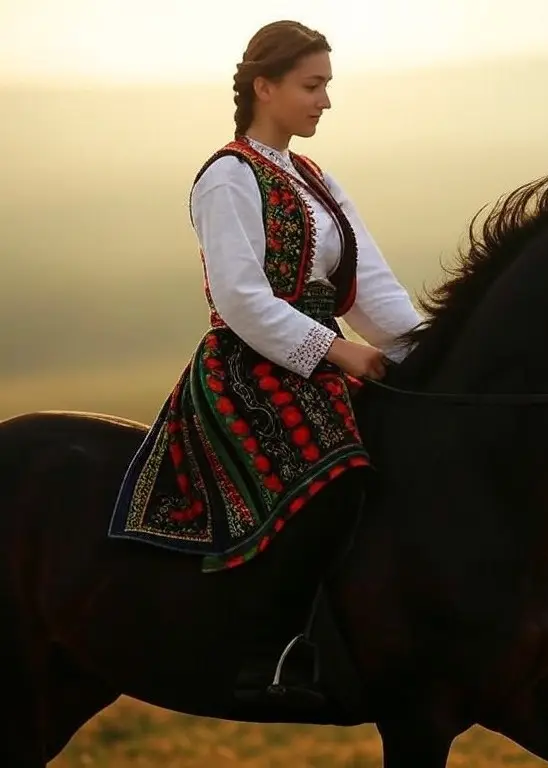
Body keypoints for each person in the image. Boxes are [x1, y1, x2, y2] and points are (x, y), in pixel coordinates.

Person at [108, 19, 423, 708]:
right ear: (264, 86)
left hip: (319, 364)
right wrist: (336, 350)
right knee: (333, 478)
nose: (325, 102)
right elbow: (241, 299)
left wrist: (428, 350)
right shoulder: (226, 177)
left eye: (327, 86)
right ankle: (272, 654)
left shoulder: (315, 177)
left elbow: (372, 287)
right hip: (250, 368)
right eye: (312, 86)